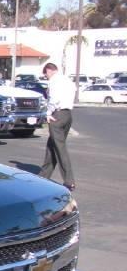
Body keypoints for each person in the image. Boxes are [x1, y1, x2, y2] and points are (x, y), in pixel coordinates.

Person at [39, 62, 76, 191]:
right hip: (67, 115)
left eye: (46, 75)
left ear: (49, 71)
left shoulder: (54, 81)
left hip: (57, 115)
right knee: (52, 146)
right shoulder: (68, 80)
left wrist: (48, 113)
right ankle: (43, 176)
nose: (46, 77)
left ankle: (69, 180)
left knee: (60, 148)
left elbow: (53, 99)